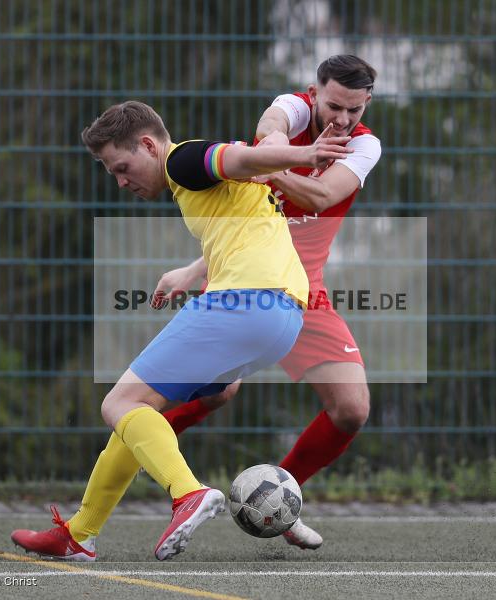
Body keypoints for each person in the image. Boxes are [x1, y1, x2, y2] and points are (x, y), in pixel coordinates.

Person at [11, 100, 353, 561]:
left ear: (149, 145)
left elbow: (240, 157)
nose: (121, 181)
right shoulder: (195, 183)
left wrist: (304, 154)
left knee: (119, 403)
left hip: (245, 303)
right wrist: (193, 270)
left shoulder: (180, 159)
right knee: (138, 413)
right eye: (113, 173)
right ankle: (79, 532)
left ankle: (187, 492)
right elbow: (245, 216)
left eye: (123, 166)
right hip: (283, 318)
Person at [155, 55, 381, 550]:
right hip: (247, 281)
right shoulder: (290, 109)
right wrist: (273, 153)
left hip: (306, 293)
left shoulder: (365, 145)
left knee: (351, 409)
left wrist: (267, 170)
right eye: (334, 106)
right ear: (313, 92)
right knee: (217, 392)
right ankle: (137, 449)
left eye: (354, 110)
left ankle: (277, 496)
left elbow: (321, 197)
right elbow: (271, 130)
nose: (343, 119)